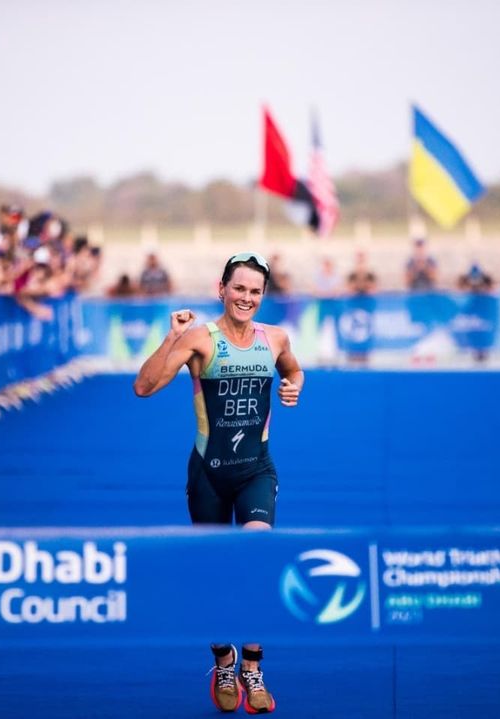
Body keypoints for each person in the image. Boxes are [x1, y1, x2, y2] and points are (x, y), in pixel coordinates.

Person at [133, 252, 303, 715]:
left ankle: (251, 665)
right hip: (208, 473)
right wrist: (171, 338)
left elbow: (292, 367)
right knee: (211, 571)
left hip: (256, 470)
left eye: (255, 291)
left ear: (262, 296)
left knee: (256, 557)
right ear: (221, 289)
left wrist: (294, 385)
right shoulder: (200, 340)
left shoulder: (275, 338)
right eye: (239, 288)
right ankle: (223, 659)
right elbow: (144, 387)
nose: (246, 298)